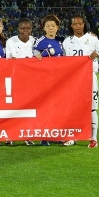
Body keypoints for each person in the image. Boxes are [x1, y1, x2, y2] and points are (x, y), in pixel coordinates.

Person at [62, 15, 99, 148]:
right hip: (73, 78)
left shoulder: (92, 38)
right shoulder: (67, 41)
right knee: (72, 108)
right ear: (71, 26)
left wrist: (97, 54)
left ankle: (93, 139)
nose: (78, 26)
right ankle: (72, 137)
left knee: (91, 108)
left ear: (84, 24)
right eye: (75, 24)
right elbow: (63, 61)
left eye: (80, 24)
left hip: (90, 77)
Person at [33, 14, 64, 146]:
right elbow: (34, 55)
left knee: (57, 107)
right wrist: (39, 56)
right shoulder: (40, 41)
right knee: (45, 107)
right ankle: (44, 137)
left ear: (57, 27)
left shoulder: (61, 42)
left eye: (53, 26)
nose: (51, 28)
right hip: (45, 80)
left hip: (60, 80)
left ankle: (55, 134)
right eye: (48, 26)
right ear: (44, 28)